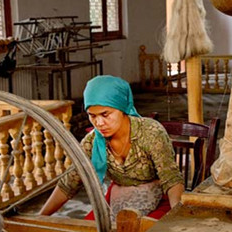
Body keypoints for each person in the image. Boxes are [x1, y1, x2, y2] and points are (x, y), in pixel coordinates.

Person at [39, 75, 184, 220]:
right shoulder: (92, 142)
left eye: (105, 114)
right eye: (92, 116)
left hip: (158, 201)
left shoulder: (150, 133)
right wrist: (40, 217)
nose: (99, 123)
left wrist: (177, 217)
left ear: (122, 109)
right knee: (89, 231)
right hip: (118, 200)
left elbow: (171, 180)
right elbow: (69, 184)